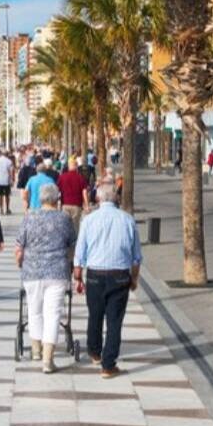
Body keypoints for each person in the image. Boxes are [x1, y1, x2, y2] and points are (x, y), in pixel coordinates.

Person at [74, 181, 142, 379]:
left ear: (97, 198)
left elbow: (80, 251)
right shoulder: (128, 220)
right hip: (119, 275)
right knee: (114, 321)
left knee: (94, 315)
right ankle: (108, 364)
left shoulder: (88, 220)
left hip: (95, 274)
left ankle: (95, 351)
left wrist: (78, 274)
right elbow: (136, 256)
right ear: (117, 198)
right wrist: (134, 278)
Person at [57, 160, 90, 232]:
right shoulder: (80, 177)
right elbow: (84, 192)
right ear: (76, 167)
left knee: (65, 224)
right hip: (77, 205)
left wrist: (57, 203)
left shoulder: (62, 177)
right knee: (75, 226)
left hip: (65, 204)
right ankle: (75, 242)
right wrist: (87, 205)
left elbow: (58, 190)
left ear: (69, 167)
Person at [0, 150, 15, 215]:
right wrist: (12, 180)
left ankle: (1, 209)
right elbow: (11, 171)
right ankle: (7, 208)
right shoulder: (9, 161)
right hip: (6, 180)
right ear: (7, 155)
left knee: (0, 195)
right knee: (7, 195)